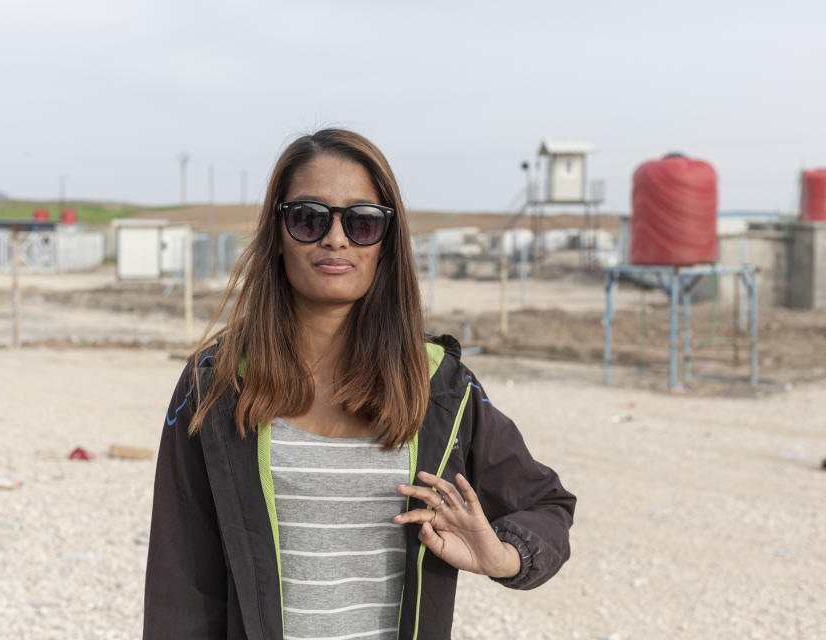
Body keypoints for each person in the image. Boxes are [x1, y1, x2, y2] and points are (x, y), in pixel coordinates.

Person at [144, 129, 576, 639]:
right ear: (278, 233)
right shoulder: (215, 386)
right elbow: (180, 581)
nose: (336, 237)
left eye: (362, 222)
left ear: (385, 243)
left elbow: (547, 504)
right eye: (308, 218)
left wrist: (502, 556)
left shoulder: (438, 385)